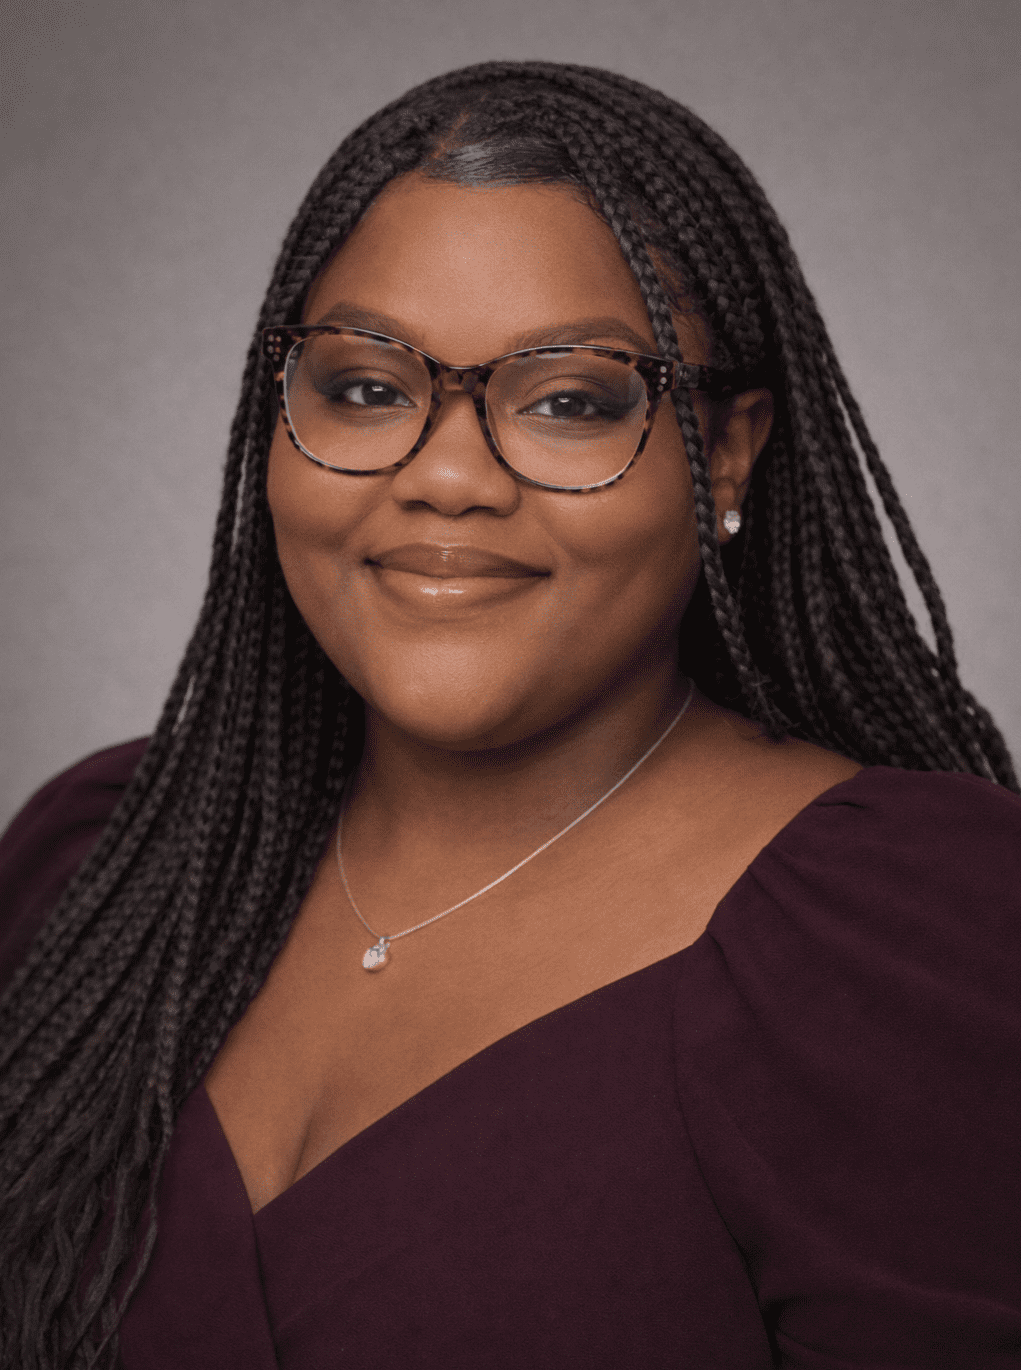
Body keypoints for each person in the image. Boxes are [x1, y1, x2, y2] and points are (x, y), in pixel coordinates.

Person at [1, 59, 1018, 1370]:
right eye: (365, 385)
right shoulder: (100, 864)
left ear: (728, 452)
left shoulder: (910, 935)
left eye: (569, 400)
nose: (445, 476)